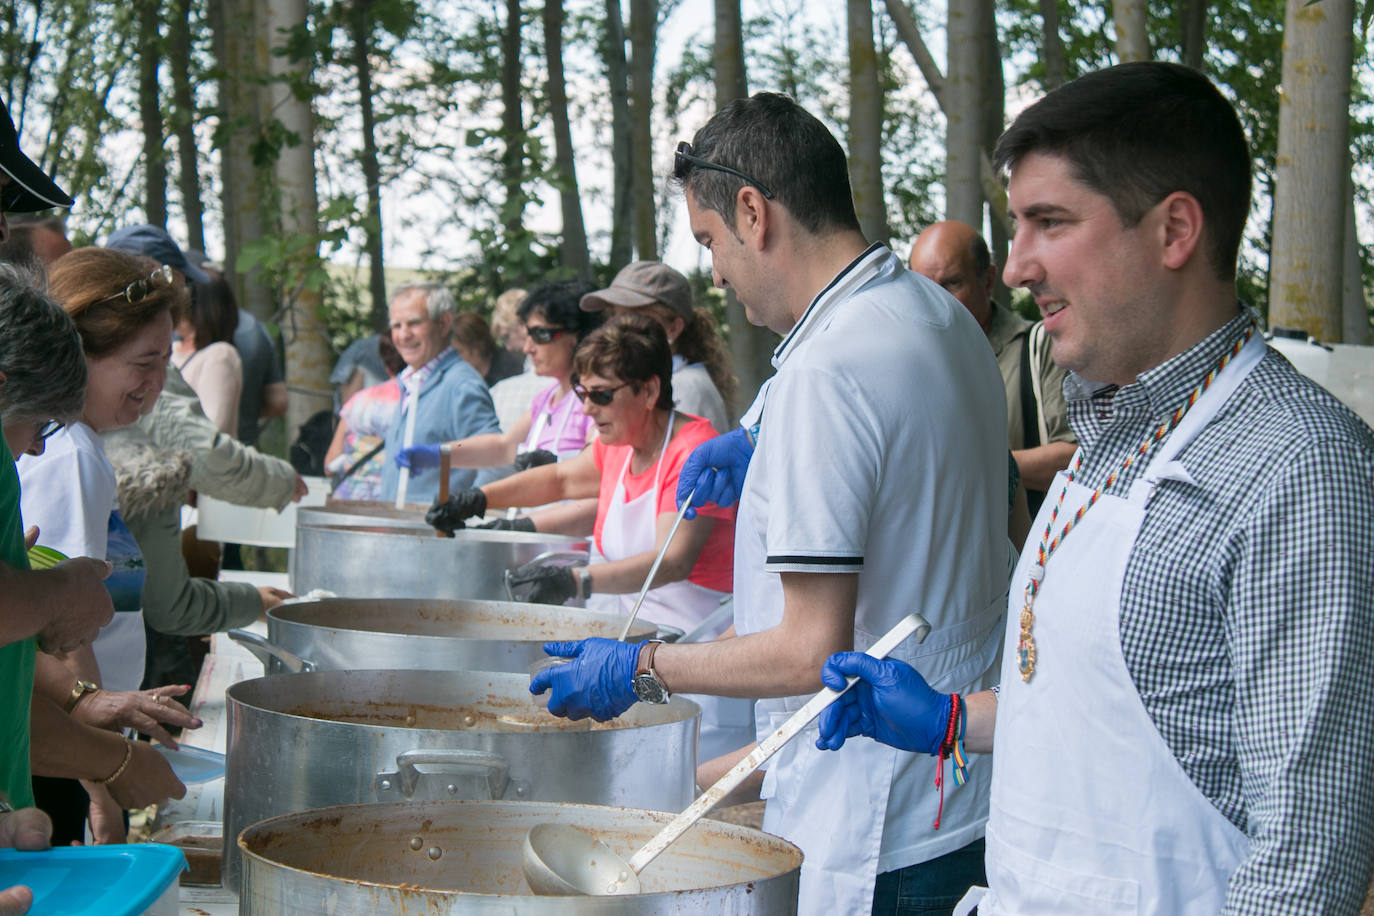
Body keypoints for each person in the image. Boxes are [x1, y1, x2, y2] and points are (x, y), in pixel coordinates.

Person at [816, 62, 1374, 916]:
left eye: (1050, 222)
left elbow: (1306, 857)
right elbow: (1113, 711)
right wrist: (956, 720)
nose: (1013, 268)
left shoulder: (1298, 469)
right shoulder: (1107, 436)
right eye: (1016, 226)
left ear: (1174, 229)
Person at [530, 93, 1010, 915]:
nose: (713, 272)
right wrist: (755, 436)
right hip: (961, 791)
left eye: (711, 241)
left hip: (876, 822)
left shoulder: (833, 370)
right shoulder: (936, 314)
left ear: (754, 212)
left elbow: (804, 650)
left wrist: (641, 669)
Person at [428, 314, 753, 760]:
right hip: (639, 647)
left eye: (601, 395)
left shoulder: (692, 449)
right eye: (583, 393)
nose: (586, 409)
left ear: (650, 390)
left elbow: (671, 560)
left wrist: (576, 580)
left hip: (702, 653)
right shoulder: (618, 444)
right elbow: (560, 480)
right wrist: (480, 499)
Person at [19, 246, 196, 844]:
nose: (156, 382)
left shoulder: (69, 443)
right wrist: (104, 780)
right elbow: (64, 633)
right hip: (58, 752)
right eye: (142, 362)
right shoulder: (68, 453)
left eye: (167, 359)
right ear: (79, 355)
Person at [908, 222, 1074, 515]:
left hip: (1026, 550)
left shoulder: (1037, 348)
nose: (936, 299)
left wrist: (966, 465)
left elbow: (1074, 457)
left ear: (988, 280)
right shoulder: (906, 363)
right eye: (923, 286)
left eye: (952, 283)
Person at [395, 280, 601, 489]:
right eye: (528, 335)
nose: (528, 348)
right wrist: (438, 454)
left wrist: (487, 502)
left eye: (540, 335)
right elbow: (503, 448)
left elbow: (587, 487)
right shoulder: (546, 398)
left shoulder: (595, 402)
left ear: (577, 335)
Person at [379, 283, 500, 503]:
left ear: (443, 324)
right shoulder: (411, 381)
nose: (404, 335)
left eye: (414, 323)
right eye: (396, 326)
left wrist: (467, 513)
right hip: (402, 530)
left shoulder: (461, 385)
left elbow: (495, 457)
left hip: (437, 533)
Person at [580, 261, 734, 430]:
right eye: (614, 316)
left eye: (633, 318)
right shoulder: (664, 378)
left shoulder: (686, 387)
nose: (616, 328)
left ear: (674, 328)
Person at [324, 333, 405, 500]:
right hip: (394, 501)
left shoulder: (358, 401)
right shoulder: (423, 401)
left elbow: (330, 464)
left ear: (385, 363)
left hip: (349, 501)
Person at [451, 311, 523, 387]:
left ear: (477, 347)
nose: (454, 359)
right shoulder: (462, 378)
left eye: (458, 352)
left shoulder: (509, 369)